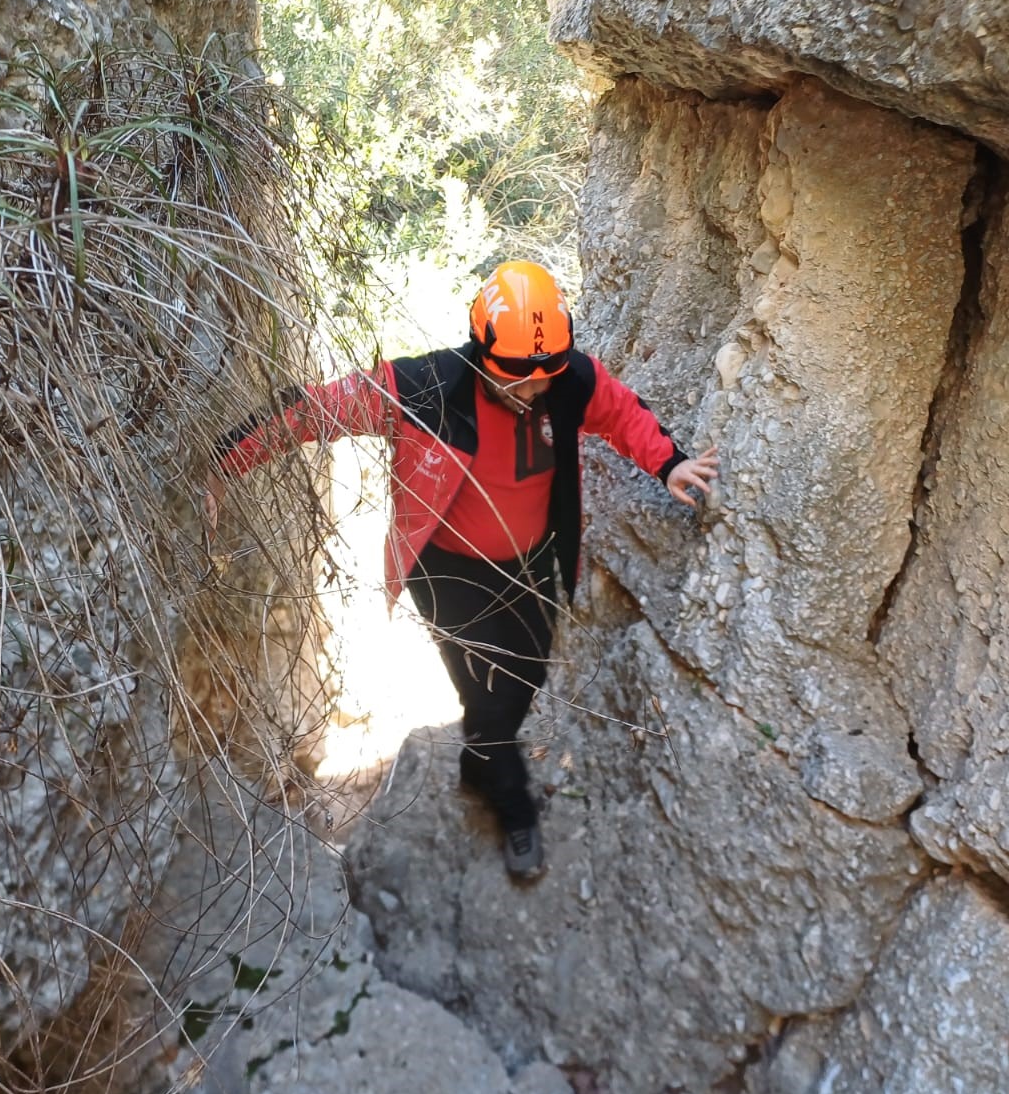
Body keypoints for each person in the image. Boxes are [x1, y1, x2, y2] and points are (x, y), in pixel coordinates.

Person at [210, 260, 719, 880]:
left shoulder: (569, 379)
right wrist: (226, 461)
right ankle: (513, 809)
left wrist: (669, 463)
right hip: (447, 573)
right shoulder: (429, 385)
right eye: (517, 378)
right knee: (486, 695)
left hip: (531, 563)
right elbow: (319, 410)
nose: (533, 390)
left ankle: (482, 760)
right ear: (482, 351)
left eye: (544, 376)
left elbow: (621, 413)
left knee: (526, 674)